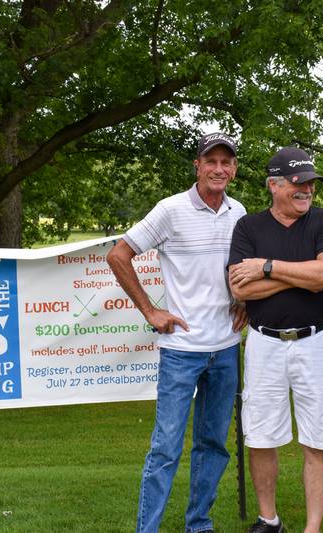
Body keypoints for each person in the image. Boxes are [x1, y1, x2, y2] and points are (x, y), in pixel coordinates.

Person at [106, 132, 248, 533]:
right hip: (181, 351)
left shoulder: (239, 212)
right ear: (198, 166)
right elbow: (119, 255)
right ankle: (146, 528)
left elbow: (240, 272)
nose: (219, 169)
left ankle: (198, 524)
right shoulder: (170, 210)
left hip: (225, 349)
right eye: (211, 161)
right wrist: (150, 310)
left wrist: (245, 301)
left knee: (213, 446)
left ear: (234, 169)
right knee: (166, 448)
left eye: (227, 162)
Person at [227, 146, 323, 533]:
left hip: (317, 342)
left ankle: (312, 528)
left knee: (318, 437)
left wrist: (267, 267)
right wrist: (301, 276)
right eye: (298, 182)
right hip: (265, 342)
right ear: (273, 185)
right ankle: (269, 519)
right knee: (261, 434)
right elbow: (239, 289)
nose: (306, 189)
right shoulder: (249, 227)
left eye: (310, 183)